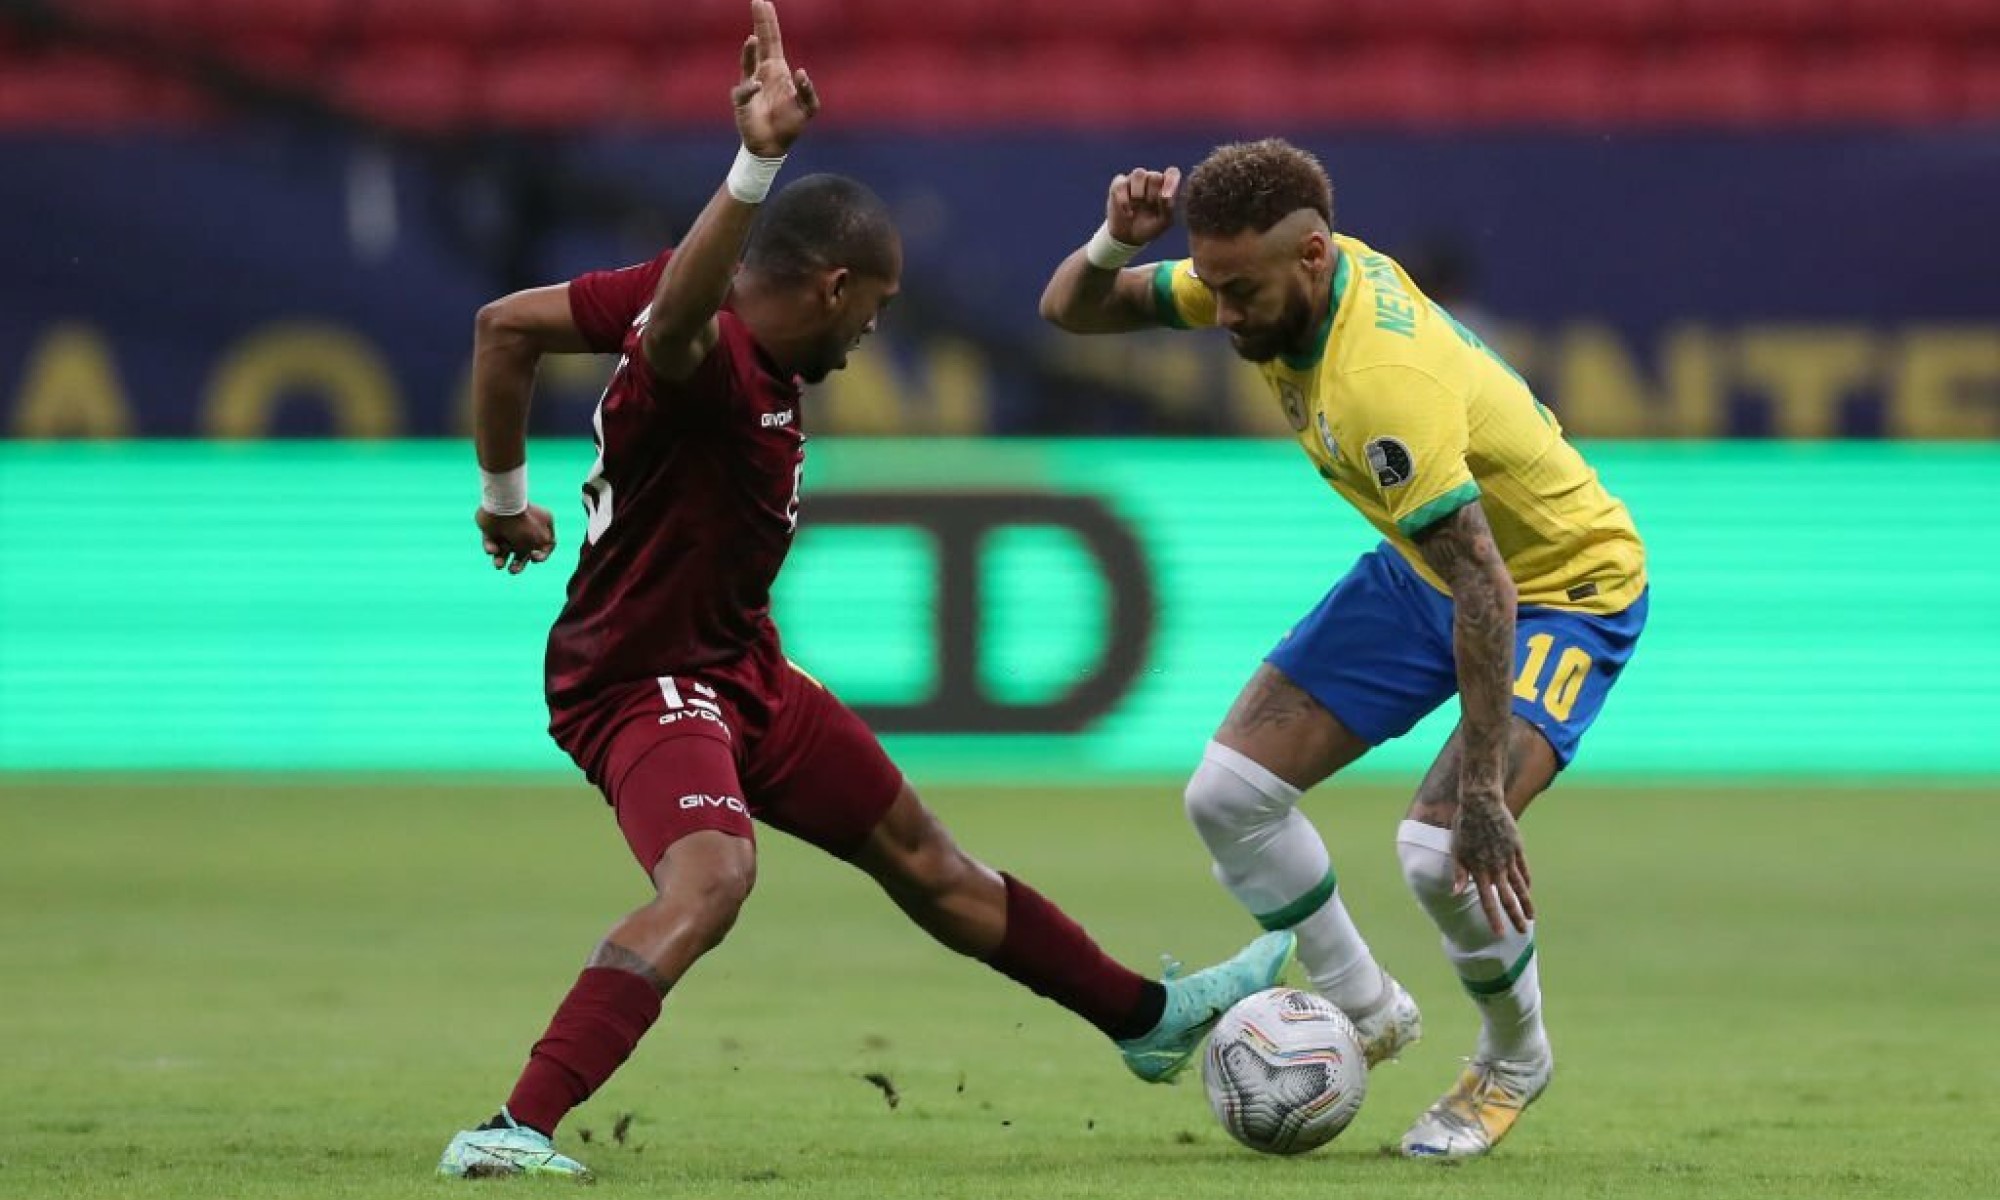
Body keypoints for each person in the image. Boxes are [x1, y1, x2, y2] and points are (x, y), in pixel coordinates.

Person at [437, 6, 1292, 1180]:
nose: (871, 335)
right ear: (833, 286)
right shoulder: (707, 359)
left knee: (922, 855)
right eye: (875, 310)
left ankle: (1147, 1021)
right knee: (714, 876)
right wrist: (755, 159)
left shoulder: (692, 311)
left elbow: (505, 328)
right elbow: (673, 325)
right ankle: (511, 1126)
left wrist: (501, 499)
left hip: (738, 664)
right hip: (641, 682)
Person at [1039, 139, 1648, 1159]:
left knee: (1437, 852)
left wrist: (1487, 797)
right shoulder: (1263, 274)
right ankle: (1364, 1010)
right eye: (1211, 286)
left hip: (1557, 592)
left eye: (1238, 292)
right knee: (1226, 796)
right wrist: (1113, 241)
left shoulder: (1381, 381)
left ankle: (1512, 1056)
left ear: (1312, 256)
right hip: (1425, 570)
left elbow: (1489, 586)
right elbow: (1073, 309)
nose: (1221, 314)